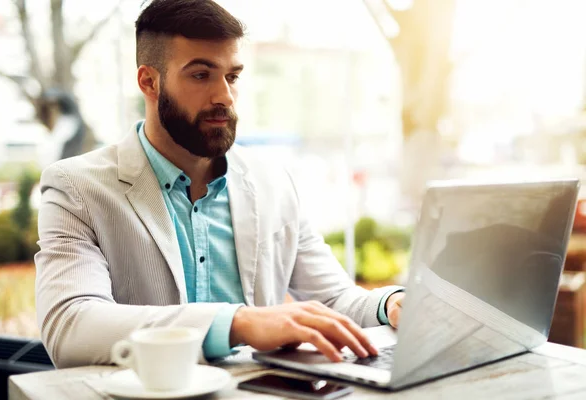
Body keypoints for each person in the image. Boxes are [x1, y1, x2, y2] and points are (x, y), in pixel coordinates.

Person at [35, 0, 406, 369]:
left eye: (232, 76)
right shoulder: (76, 189)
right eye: (201, 75)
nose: (224, 97)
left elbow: (334, 300)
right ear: (149, 81)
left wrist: (390, 304)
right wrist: (236, 323)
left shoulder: (273, 181)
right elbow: (70, 325)